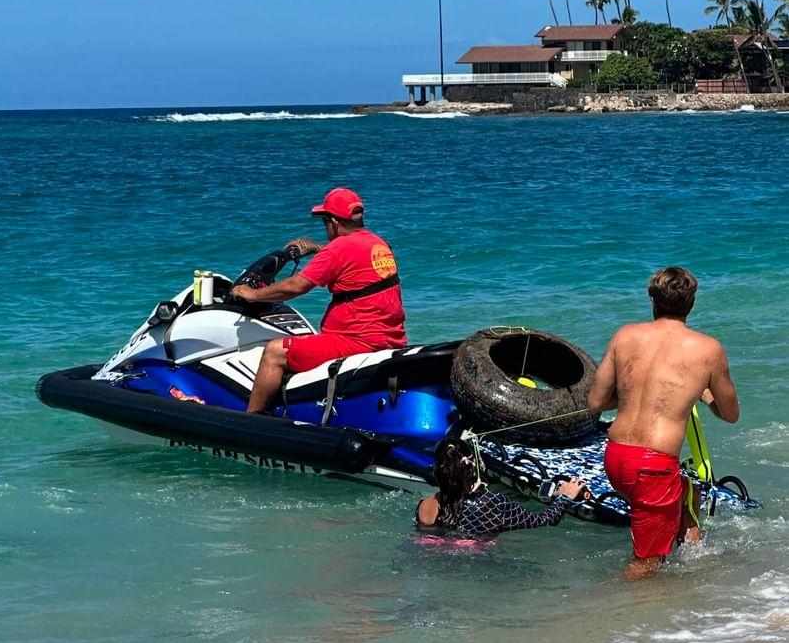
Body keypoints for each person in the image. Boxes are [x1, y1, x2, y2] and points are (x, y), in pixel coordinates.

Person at [587, 266, 740, 580]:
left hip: (616, 458)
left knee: (687, 493)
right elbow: (730, 414)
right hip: (651, 468)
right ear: (692, 303)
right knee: (645, 566)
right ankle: (615, 616)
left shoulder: (624, 335)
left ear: (653, 300)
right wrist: (703, 394)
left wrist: (633, 396)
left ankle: (693, 567)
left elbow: (596, 403)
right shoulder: (708, 349)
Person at [231, 187, 406, 414]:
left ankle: (250, 421)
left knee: (275, 351)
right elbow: (351, 258)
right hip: (389, 339)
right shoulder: (378, 244)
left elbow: (296, 286)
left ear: (333, 222)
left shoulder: (337, 250)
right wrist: (317, 248)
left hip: (357, 342)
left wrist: (251, 293)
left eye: (325, 222)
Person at [415, 434, 586, 538]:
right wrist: (565, 496)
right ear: (472, 462)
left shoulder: (425, 505)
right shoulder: (493, 504)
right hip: (479, 568)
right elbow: (546, 520)